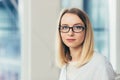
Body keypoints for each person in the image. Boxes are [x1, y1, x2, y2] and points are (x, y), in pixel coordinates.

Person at [55, 8, 116, 80]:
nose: (70, 33)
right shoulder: (66, 65)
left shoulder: (100, 64)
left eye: (77, 27)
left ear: (86, 31)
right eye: (65, 27)